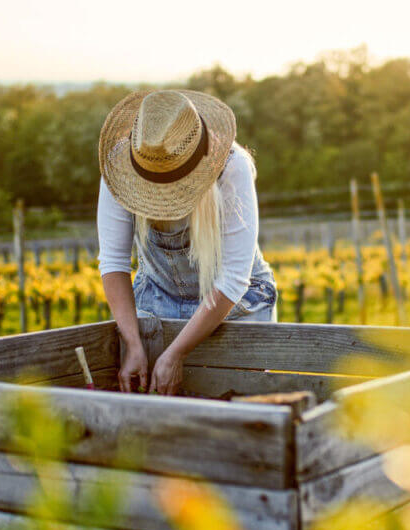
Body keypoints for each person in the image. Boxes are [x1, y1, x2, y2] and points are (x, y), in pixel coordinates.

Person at [96, 89, 276, 396]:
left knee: (241, 415)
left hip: (235, 305)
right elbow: (113, 261)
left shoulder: (232, 167)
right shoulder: (120, 170)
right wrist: (133, 343)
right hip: (158, 296)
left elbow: (233, 278)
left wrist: (176, 353)